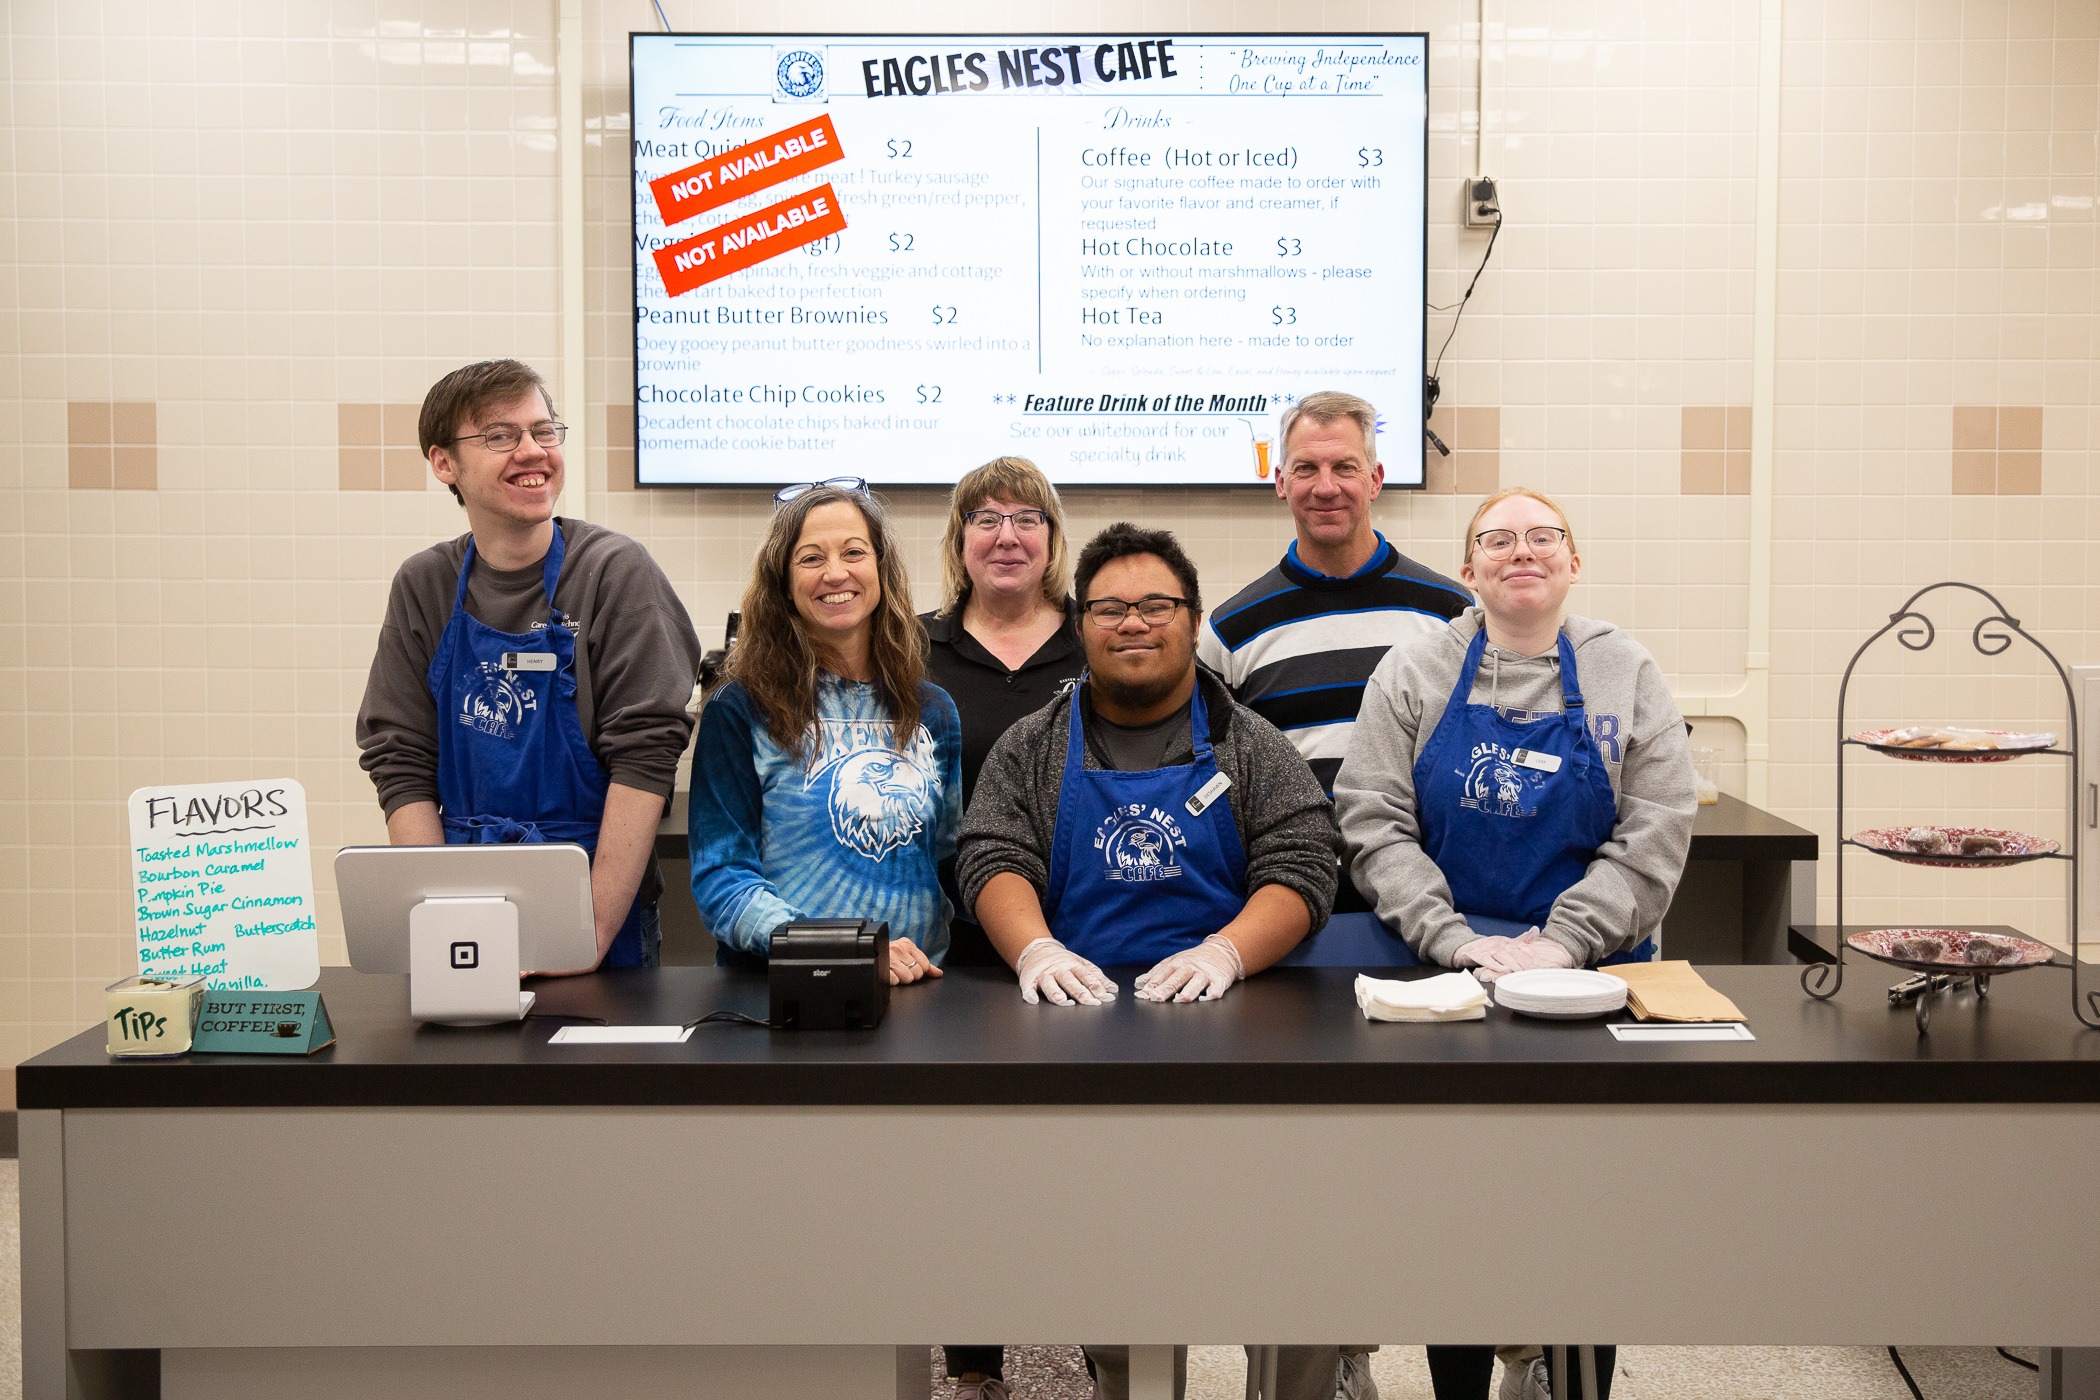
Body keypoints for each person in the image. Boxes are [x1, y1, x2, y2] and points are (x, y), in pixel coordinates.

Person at [957, 522, 1343, 1400]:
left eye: (1156, 606)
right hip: (1080, 1034)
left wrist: (1229, 952)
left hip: (1243, 1038)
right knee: (1110, 1253)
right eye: (1111, 608)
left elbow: (1305, 862)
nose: (1134, 624)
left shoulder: (1250, 742)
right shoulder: (1033, 744)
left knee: (1286, 1256)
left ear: (1192, 619)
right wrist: (1035, 949)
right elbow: (989, 854)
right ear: (1081, 624)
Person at [1335, 487, 1698, 1400]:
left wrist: (1564, 944)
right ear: (1468, 572)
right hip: (1443, 980)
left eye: (1545, 536)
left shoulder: (1628, 672)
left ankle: (1555, 1374)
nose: (1522, 550)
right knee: (1453, 1210)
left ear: (1576, 562)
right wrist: (1454, 940)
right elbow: (1373, 817)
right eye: (1497, 539)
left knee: (1587, 1212)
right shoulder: (1416, 669)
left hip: (1593, 984)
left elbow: (1656, 829)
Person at [356, 359, 701, 969]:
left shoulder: (614, 574)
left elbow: (646, 757)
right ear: (443, 463)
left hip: (597, 894)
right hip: (462, 891)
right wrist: (440, 917)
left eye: (544, 432)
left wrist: (584, 936)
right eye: (499, 436)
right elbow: (400, 759)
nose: (532, 451)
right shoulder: (426, 585)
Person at [920, 458, 1085, 1400]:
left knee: (1093, 1162)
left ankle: (1111, 1344)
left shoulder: (1100, 639)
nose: (1007, 535)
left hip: (1100, 945)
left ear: (1053, 540)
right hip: (959, 952)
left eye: (1027, 518)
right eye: (985, 519)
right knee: (966, 1169)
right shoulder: (916, 648)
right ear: (959, 542)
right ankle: (976, 1365)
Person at [687, 482, 962, 982]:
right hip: (788, 991)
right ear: (783, 583)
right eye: (811, 558)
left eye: (854, 552)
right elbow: (722, 878)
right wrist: (845, 953)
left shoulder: (931, 709)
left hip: (922, 986)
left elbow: (949, 860)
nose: (836, 573)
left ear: (880, 568)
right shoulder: (741, 708)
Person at [1199, 391, 1470, 798]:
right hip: (1287, 859)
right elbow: (1211, 773)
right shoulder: (1231, 632)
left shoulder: (1450, 614)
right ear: (1282, 483)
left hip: (1420, 858)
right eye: (1306, 468)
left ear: (1375, 480)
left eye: (1345, 467)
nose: (1326, 488)